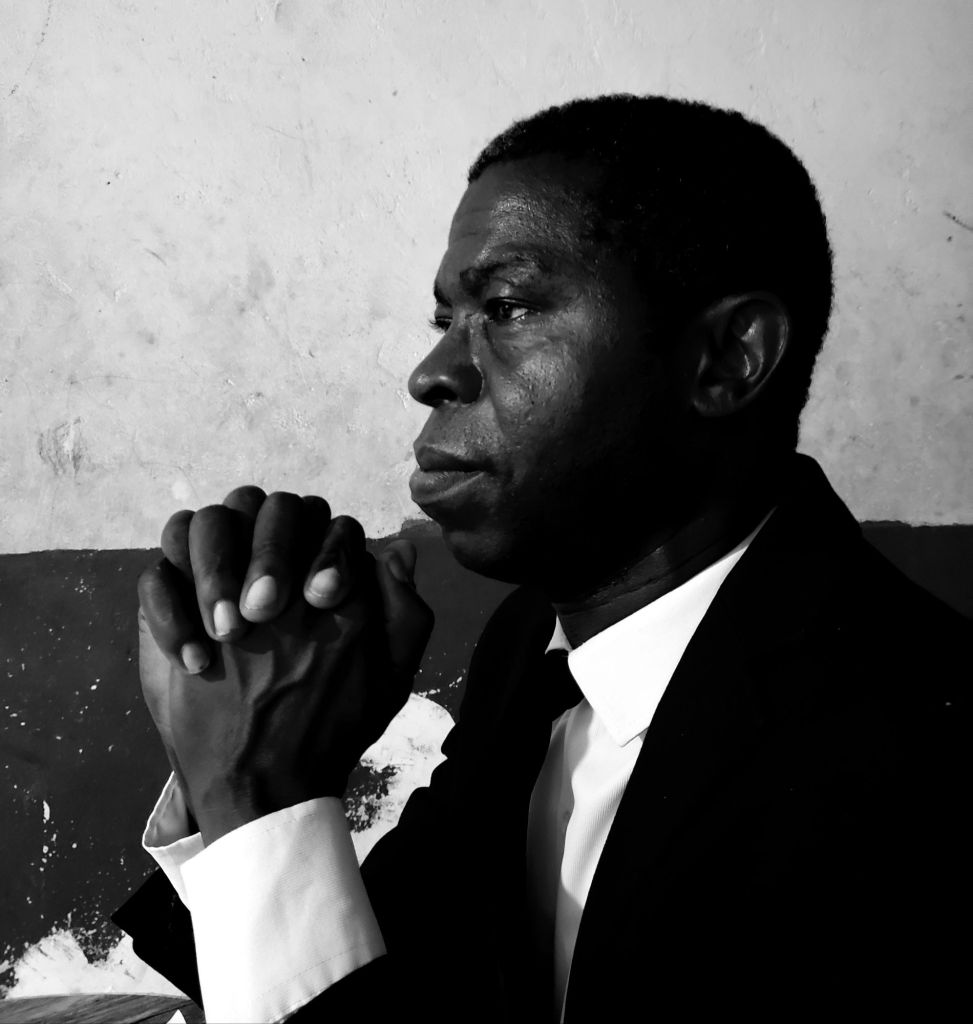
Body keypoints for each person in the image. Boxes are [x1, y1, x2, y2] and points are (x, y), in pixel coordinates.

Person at [113, 95, 968, 1022]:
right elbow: (399, 980)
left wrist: (253, 792)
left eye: (506, 308)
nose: (432, 373)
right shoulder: (539, 647)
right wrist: (248, 748)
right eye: (445, 319)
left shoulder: (913, 761)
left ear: (726, 357)